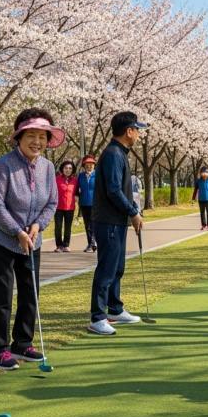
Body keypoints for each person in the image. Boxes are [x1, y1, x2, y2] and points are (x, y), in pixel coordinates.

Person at [0, 108, 60, 370]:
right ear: (19, 137)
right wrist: (17, 231)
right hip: (1, 238)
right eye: (31, 135)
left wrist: (37, 225)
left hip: (32, 238)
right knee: (2, 296)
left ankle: (23, 343)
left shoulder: (48, 167)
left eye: (42, 136)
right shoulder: (4, 164)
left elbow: (52, 202)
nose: (37, 141)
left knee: (30, 292)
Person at [87, 111, 148, 335]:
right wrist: (133, 212)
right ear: (128, 131)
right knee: (107, 269)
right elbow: (113, 190)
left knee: (117, 267)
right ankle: (97, 317)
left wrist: (132, 211)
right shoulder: (113, 154)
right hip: (108, 221)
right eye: (137, 130)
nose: (139, 134)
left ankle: (115, 308)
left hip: (116, 221)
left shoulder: (120, 152)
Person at [54, 160, 77, 252]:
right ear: (62, 169)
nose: (68, 170)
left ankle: (66, 245)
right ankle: (59, 245)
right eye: (66, 168)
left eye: (70, 168)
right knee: (58, 227)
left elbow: (77, 192)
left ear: (72, 170)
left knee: (68, 227)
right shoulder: (57, 179)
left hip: (70, 207)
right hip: (58, 207)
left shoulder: (75, 180)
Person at [75, 155, 97, 253]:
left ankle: (93, 243)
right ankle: (90, 243)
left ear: (94, 165)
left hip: (95, 203)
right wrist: (76, 196)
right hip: (84, 203)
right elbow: (77, 188)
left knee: (93, 223)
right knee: (87, 224)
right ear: (84, 166)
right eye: (87, 165)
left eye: (91, 164)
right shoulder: (81, 176)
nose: (89, 166)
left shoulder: (98, 175)